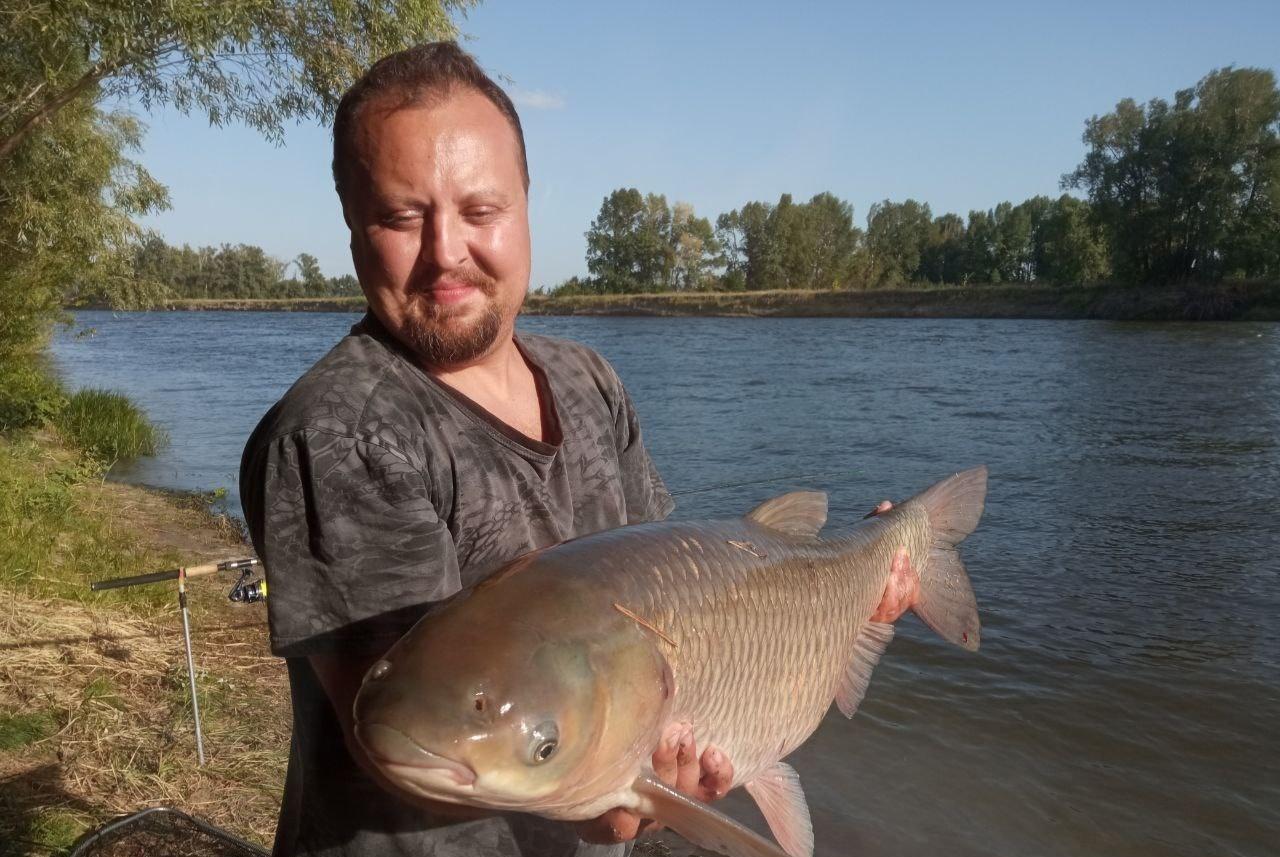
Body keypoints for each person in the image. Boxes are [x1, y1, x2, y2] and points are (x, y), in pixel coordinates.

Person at [241, 40, 918, 857]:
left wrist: (852, 591)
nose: (447, 251)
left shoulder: (586, 378)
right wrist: (630, 799)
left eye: (481, 211)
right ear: (353, 227)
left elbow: (697, 579)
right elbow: (403, 750)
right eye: (402, 216)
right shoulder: (341, 432)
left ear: (527, 209)